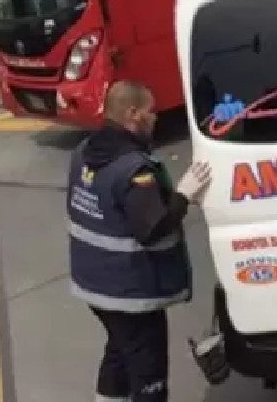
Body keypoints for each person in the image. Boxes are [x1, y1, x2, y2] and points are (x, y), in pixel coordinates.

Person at [67, 80, 213, 401]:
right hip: (129, 293)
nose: (156, 118)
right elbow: (153, 227)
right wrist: (183, 195)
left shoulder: (84, 154)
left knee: (119, 351)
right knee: (148, 374)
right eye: (151, 112)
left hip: (94, 285)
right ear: (133, 115)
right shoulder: (134, 171)